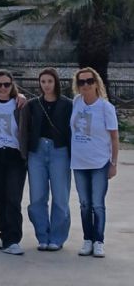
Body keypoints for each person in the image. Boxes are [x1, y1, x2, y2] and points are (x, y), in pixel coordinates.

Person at [21, 67, 72, 251]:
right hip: (37, 152)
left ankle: (57, 238)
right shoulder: (33, 104)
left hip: (60, 151)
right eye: (43, 82)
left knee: (60, 197)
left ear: (56, 82)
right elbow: (24, 128)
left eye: (50, 81)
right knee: (37, 197)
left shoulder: (68, 104)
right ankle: (42, 236)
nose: (46, 85)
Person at [71, 67, 119, 259]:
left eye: (89, 81)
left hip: (99, 162)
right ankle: (87, 239)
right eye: (81, 82)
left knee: (97, 204)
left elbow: (115, 138)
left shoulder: (106, 108)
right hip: (79, 162)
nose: (85, 85)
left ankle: (99, 241)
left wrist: (113, 163)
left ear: (96, 83)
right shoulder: (76, 102)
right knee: (84, 204)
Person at [0, 70, 26, 256]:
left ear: (12, 85)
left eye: (6, 84)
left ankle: (14, 239)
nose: (2, 88)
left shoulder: (20, 104)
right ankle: (5, 235)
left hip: (15, 155)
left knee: (13, 198)